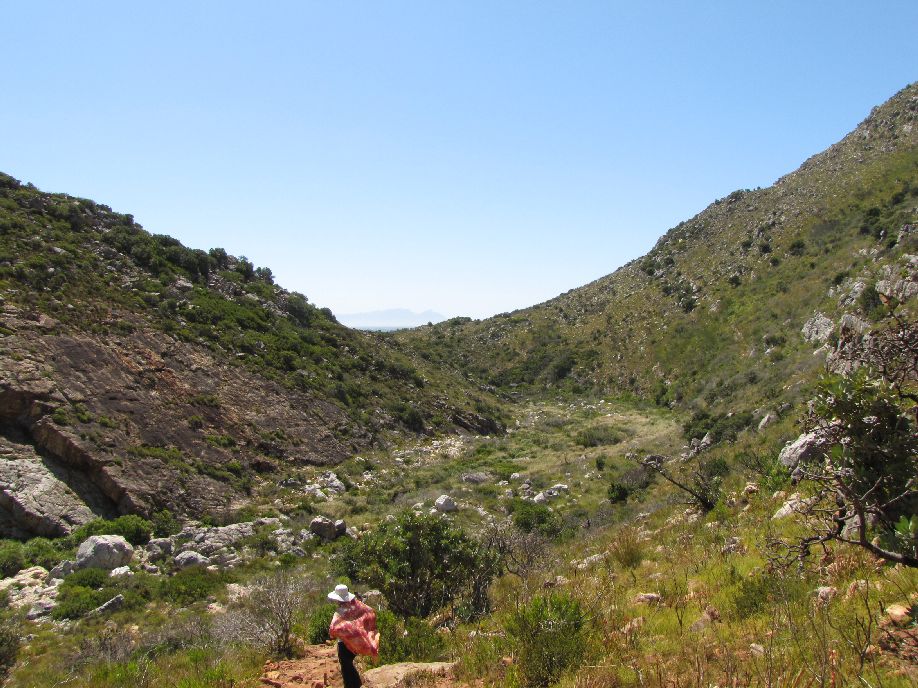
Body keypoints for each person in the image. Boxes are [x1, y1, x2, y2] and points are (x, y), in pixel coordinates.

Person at [327, 583, 379, 688]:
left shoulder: (339, 612)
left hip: (344, 645)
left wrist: (338, 634)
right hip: (356, 645)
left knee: (347, 670)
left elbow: (333, 629)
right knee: (351, 667)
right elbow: (369, 613)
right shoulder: (357, 607)